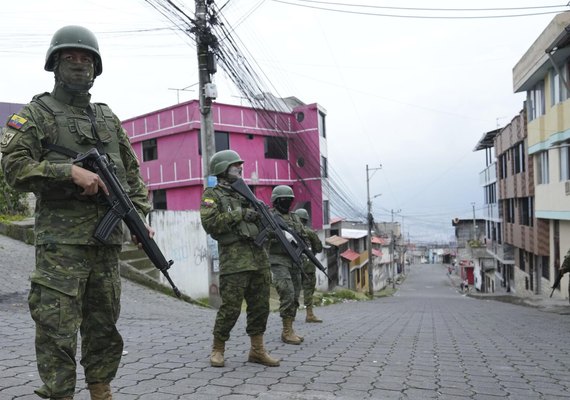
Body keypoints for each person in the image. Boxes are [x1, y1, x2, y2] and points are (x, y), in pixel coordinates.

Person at [0, 26, 153, 400]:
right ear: (55, 63)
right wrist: (66, 171)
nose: (79, 65)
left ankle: (101, 389)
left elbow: (131, 175)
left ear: (96, 68)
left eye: (87, 59)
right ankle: (60, 393)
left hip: (106, 245)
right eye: (71, 58)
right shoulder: (37, 114)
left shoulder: (107, 118)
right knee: (57, 328)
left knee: (104, 326)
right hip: (61, 246)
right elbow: (13, 168)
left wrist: (140, 216)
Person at [200, 149, 279, 368]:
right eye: (235, 165)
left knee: (260, 306)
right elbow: (210, 224)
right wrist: (240, 214)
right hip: (235, 262)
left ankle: (257, 350)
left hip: (258, 259)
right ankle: (218, 348)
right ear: (222, 169)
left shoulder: (247, 194)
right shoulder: (212, 195)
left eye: (239, 165)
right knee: (231, 308)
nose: (240, 168)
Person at [269, 185, 309, 344]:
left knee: (295, 295)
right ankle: (286, 331)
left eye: (289, 200)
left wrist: (302, 244)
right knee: (287, 292)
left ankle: (290, 328)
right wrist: (279, 235)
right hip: (277, 260)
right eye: (283, 200)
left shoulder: (294, 218)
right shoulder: (269, 216)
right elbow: (262, 235)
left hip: (294, 261)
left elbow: (303, 236)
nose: (287, 203)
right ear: (276, 201)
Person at [294, 208, 324, 323]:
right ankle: (309, 314)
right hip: (307, 265)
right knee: (308, 290)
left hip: (293, 263)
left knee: (293, 290)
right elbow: (318, 248)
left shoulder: (288, 231)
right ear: (306, 220)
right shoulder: (309, 232)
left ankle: (290, 315)